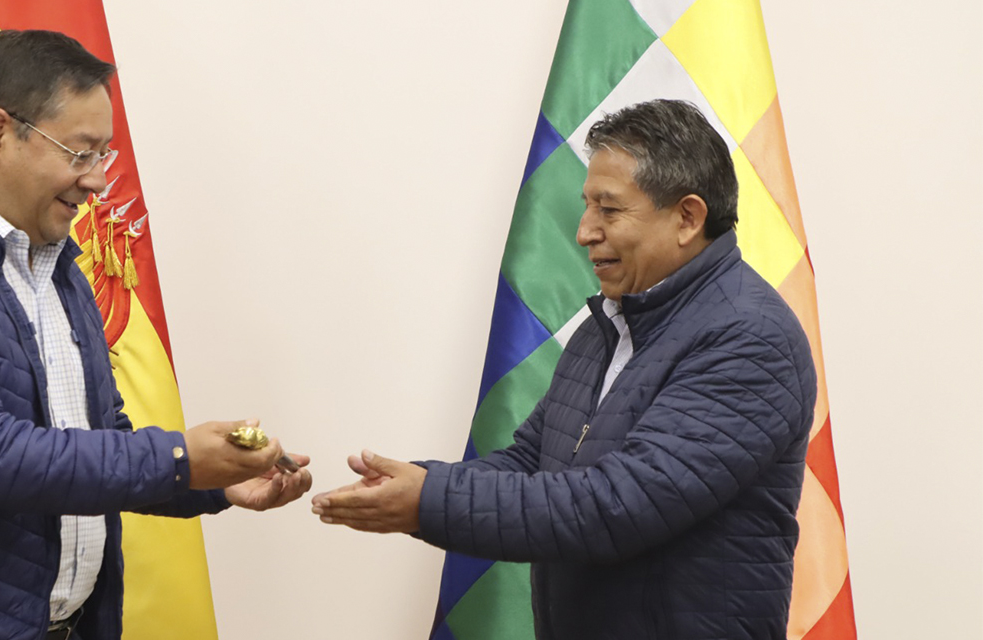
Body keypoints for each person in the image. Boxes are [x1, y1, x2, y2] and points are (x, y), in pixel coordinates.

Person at [0, 30, 311, 640]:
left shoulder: (57, 266)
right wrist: (180, 459)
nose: (97, 182)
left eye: (103, 156)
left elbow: (98, 446)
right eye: (80, 154)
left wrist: (215, 485)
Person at [313, 99, 816, 640]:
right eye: (587, 207)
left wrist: (429, 502)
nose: (583, 232)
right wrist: (415, 482)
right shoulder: (610, 324)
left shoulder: (749, 338)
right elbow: (533, 461)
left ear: (687, 218)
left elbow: (617, 506)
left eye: (609, 210)